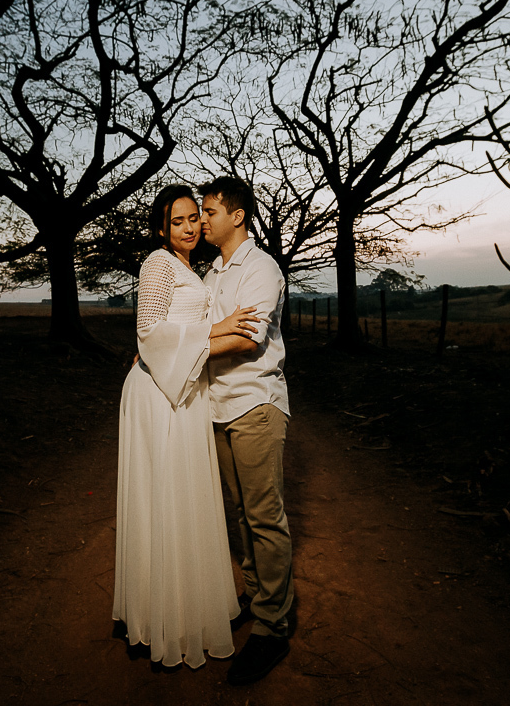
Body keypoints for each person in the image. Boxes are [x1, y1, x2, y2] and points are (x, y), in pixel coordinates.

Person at [112, 184, 261, 669]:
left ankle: (186, 609)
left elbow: (175, 327)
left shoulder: (190, 267)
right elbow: (150, 331)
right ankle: (159, 619)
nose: (190, 227)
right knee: (164, 495)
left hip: (184, 386)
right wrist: (220, 328)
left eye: (194, 217)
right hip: (160, 392)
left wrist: (214, 329)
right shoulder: (158, 264)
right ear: (161, 229)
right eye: (177, 221)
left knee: (184, 497)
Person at [199, 176, 294, 686]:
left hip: (255, 404)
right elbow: (210, 330)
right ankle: (256, 598)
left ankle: (273, 626)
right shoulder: (211, 273)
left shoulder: (260, 268)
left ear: (237, 216)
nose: (201, 220)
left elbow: (246, 338)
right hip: (216, 406)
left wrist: (181, 349)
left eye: (209, 211)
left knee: (264, 517)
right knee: (239, 514)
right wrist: (203, 334)